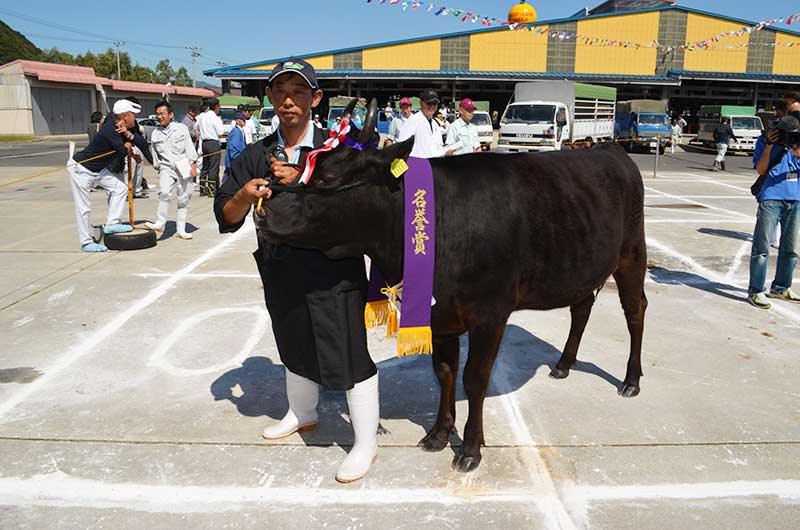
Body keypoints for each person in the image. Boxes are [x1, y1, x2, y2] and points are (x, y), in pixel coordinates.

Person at [213, 58, 379, 484]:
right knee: (293, 344)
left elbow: (362, 206)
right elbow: (226, 214)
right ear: (269, 97)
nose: (289, 100)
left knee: (349, 354)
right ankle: (302, 413)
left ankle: (365, 442)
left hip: (333, 271)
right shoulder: (255, 155)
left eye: (299, 92)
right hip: (280, 268)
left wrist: (304, 180)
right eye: (281, 91)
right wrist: (246, 196)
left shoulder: (341, 150)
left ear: (315, 98)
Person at [68, 99, 152, 252]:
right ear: (126, 116)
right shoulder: (109, 128)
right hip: (81, 169)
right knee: (83, 208)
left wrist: (128, 137)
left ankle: (112, 224)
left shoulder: (127, 127)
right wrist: (127, 146)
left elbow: (143, 144)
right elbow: (121, 151)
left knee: (120, 187)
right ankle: (86, 242)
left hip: (98, 169)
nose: (135, 118)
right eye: (133, 115)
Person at [746, 114, 800, 309]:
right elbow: (761, 170)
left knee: (791, 249)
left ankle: (781, 287)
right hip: (770, 198)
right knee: (762, 247)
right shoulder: (766, 142)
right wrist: (769, 145)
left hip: (795, 198)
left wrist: (796, 150)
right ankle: (756, 290)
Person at [144, 100, 199, 240]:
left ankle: (181, 229)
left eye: (162, 114)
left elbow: (189, 147)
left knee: (184, 198)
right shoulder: (155, 133)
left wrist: (193, 166)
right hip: (166, 167)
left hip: (183, 165)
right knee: (164, 192)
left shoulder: (181, 128)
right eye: (157, 114)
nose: (160, 117)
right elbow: (155, 153)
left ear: (170, 114)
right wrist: (158, 166)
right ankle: (160, 222)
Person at [397, 89, 454, 158]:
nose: (432, 106)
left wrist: (445, 152)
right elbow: (400, 149)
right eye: (429, 103)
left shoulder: (435, 124)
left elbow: (435, 148)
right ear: (421, 103)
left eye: (435, 104)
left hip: (432, 165)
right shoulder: (412, 121)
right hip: (416, 165)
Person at [198, 97, 224, 197]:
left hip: (204, 143)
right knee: (213, 167)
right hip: (213, 143)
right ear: (216, 107)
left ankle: (202, 188)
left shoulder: (202, 116)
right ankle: (212, 190)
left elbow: (196, 127)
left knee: (205, 166)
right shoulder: (215, 118)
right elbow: (220, 132)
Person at [224, 111, 247, 182]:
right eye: (243, 120)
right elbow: (233, 148)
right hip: (233, 163)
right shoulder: (236, 132)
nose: (244, 122)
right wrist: (238, 159)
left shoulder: (239, 131)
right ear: (237, 121)